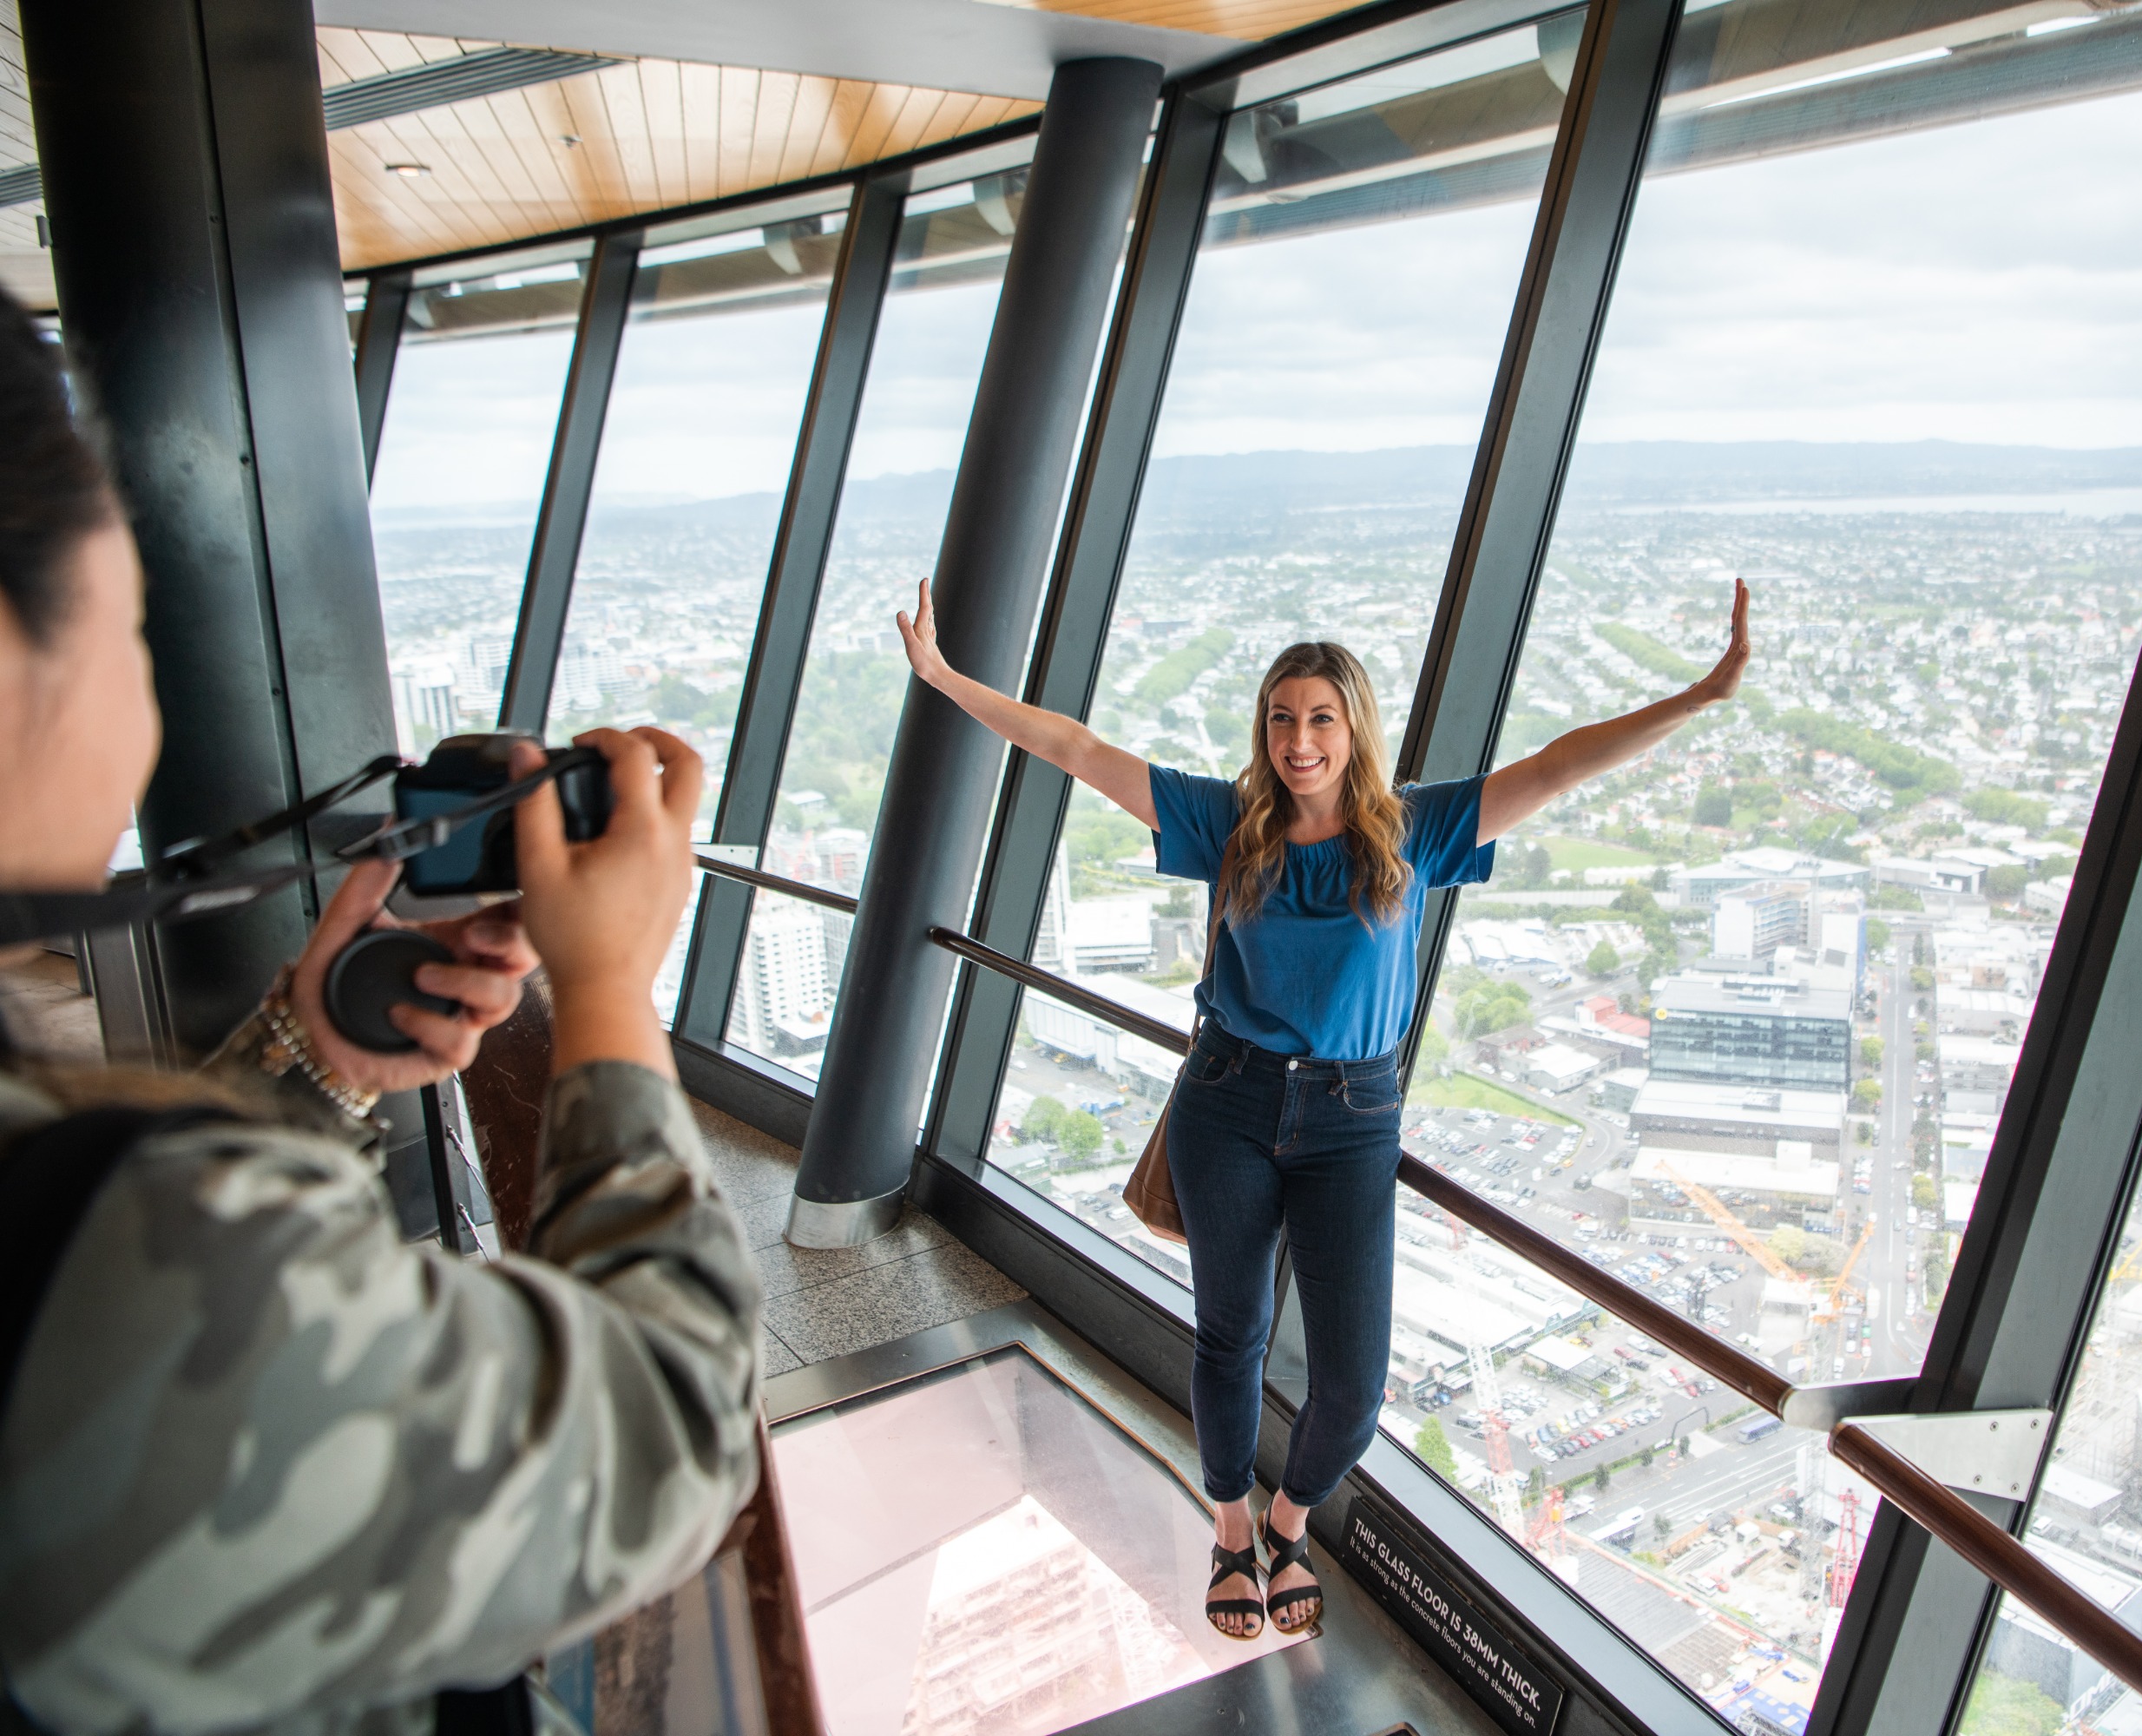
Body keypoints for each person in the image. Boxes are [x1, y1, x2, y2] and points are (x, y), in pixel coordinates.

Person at [0, 284, 763, 1732]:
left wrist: (309, 1059)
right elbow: (670, 1424)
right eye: (127, 605)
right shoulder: (102, 1295)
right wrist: (604, 983)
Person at [895, 570, 1752, 1638]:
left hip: (1353, 1119)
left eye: (1321, 719)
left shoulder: (1414, 833)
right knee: (1231, 1333)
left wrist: (1700, 695)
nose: (1300, 739)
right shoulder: (1227, 822)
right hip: (1229, 1099)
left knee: (1352, 1382)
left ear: (1355, 729)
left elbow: (1560, 763)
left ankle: (1289, 1519)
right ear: (1266, 728)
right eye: (1282, 718)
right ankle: (1228, 1526)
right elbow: (1073, 747)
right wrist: (941, 675)